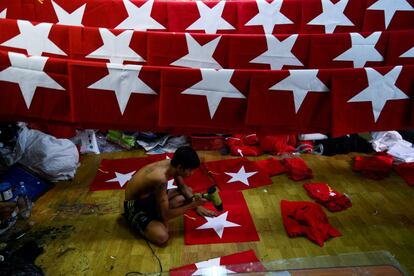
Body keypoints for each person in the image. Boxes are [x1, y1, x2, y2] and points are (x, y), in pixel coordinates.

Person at [124, 146, 216, 245]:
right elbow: (165, 215)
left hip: (148, 197)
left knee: (186, 193)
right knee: (162, 236)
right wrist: (192, 205)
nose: (192, 174)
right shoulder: (160, 179)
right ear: (180, 167)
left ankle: (153, 215)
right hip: (134, 206)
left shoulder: (173, 164)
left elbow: (183, 188)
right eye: (190, 170)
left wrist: (197, 206)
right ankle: (138, 222)